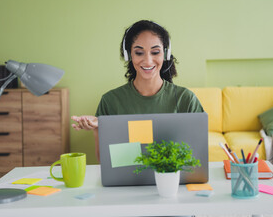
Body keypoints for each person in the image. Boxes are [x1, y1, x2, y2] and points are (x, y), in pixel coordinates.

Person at [72, 20, 204, 161]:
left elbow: (197, 156)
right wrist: (99, 128)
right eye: (139, 52)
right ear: (129, 55)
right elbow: (105, 161)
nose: (147, 61)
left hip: (174, 180)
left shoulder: (186, 99)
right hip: (126, 182)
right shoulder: (110, 101)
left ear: (165, 54)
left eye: (155, 52)